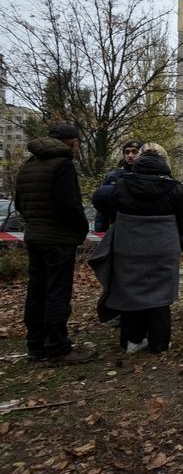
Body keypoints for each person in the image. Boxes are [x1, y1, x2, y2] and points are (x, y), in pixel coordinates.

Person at [90, 144, 183, 353]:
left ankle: (132, 341)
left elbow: (101, 199)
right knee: (161, 294)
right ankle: (160, 343)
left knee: (130, 292)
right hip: (162, 247)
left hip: (129, 246)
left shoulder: (121, 184)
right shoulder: (175, 187)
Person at [15, 123, 94, 364]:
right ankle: (58, 348)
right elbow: (69, 204)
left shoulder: (29, 165)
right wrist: (81, 230)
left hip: (35, 237)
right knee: (57, 292)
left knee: (36, 292)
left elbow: (19, 203)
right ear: (72, 142)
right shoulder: (63, 165)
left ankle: (36, 345)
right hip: (58, 239)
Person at [94, 140, 141, 232]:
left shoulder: (148, 175)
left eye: (134, 152)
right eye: (127, 152)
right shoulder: (113, 176)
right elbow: (102, 208)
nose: (130, 155)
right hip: (118, 224)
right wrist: (100, 231)